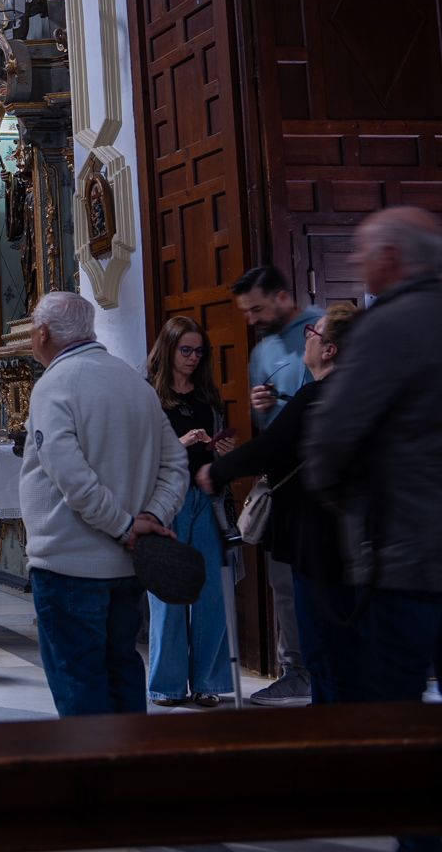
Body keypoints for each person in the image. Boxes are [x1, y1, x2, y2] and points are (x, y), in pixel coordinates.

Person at [19, 291, 188, 717]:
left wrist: (125, 525)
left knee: (79, 681)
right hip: (126, 567)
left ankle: (93, 778)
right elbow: (176, 464)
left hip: (70, 566)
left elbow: (71, 477)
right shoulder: (135, 382)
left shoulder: (53, 386)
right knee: (122, 670)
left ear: (42, 333)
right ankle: (130, 771)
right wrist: (152, 515)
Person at [304, 207, 442, 710]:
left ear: (390, 256)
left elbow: (333, 436)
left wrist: (342, 500)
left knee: (392, 707)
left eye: (362, 251)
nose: (357, 260)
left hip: (404, 551)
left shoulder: (387, 326)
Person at [201, 303, 359, 705]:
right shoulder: (356, 393)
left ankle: (337, 733)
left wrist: (215, 472)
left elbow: (271, 447)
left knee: (326, 648)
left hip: (319, 540)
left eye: (314, 334)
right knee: (344, 648)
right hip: (351, 541)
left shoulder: (318, 395)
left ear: (330, 351)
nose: (307, 337)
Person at [231, 264, 323, 705]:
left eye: (257, 309)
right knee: (284, 584)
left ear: (284, 297)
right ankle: (297, 670)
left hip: (325, 484)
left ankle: (323, 670)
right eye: (247, 312)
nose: (251, 320)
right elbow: (269, 426)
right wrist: (261, 406)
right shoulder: (262, 352)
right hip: (284, 484)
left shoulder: (323, 331)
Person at [142, 317, 235, 707]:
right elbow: (140, 454)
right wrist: (178, 443)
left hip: (205, 502)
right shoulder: (148, 396)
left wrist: (225, 453)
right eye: (186, 350)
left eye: (199, 351)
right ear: (168, 349)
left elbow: (218, 443)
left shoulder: (206, 397)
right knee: (169, 595)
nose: (194, 358)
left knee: (212, 593)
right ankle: (166, 684)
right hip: (168, 502)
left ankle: (209, 683)